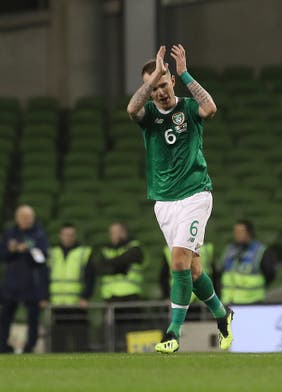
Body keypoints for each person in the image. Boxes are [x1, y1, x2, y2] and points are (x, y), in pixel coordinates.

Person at [127, 44, 233, 354]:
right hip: (164, 202)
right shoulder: (148, 115)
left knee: (178, 261)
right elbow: (131, 109)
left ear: (171, 80)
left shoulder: (188, 108)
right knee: (194, 271)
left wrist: (184, 72)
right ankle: (222, 315)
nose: (159, 91)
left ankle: (172, 332)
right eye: (153, 86)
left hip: (195, 194)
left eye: (163, 83)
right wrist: (151, 78)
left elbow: (210, 108)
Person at [0, 205, 50, 354]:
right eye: (23, 217)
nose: (26, 220)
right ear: (17, 218)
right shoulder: (10, 234)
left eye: (29, 217)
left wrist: (29, 250)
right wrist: (10, 250)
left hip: (32, 283)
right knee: (5, 318)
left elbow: (42, 258)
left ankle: (30, 347)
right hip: (11, 283)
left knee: (33, 319)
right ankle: (1, 347)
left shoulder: (39, 235)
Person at [88, 222, 143, 352]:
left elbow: (128, 258)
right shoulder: (104, 250)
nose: (114, 235)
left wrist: (110, 265)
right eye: (112, 232)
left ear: (124, 232)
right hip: (111, 298)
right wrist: (119, 267)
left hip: (131, 297)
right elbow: (97, 268)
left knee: (131, 331)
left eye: (117, 232)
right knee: (112, 333)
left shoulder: (134, 247)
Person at [48, 223, 92, 352]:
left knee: (80, 340)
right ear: (60, 236)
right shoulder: (52, 253)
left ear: (75, 235)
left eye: (71, 235)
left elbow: (90, 277)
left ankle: (85, 365)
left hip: (77, 303)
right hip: (57, 303)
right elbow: (45, 277)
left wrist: (85, 296)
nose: (68, 237)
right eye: (66, 235)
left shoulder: (83, 252)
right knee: (58, 342)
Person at [220, 220, 276, 304]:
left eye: (240, 232)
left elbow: (270, 273)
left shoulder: (259, 251)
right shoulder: (230, 250)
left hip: (252, 303)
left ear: (249, 233)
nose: (236, 235)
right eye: (235, 232)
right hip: (228, 303)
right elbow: (221, 272)